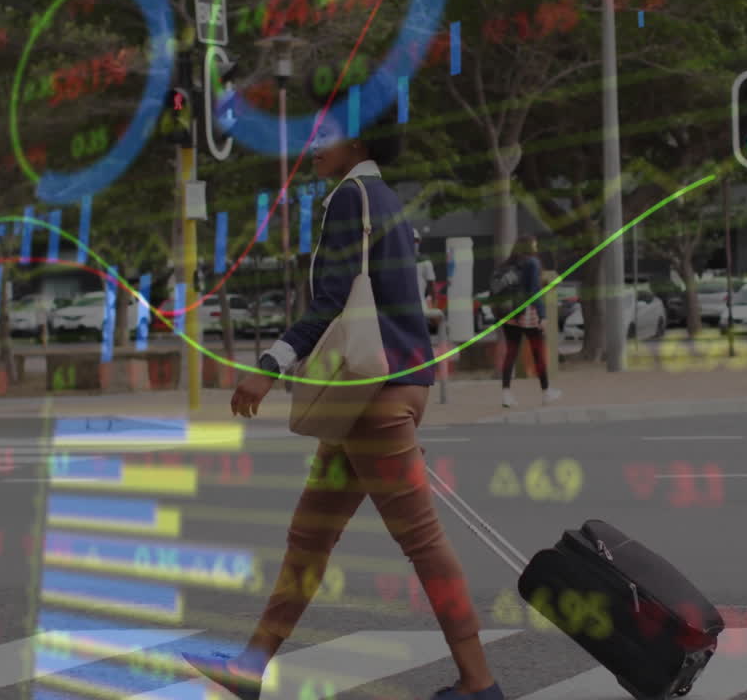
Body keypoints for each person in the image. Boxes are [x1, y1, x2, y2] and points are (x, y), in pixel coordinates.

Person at [183, 97, 505, 700]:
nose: (313, 145)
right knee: (310, 535)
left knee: (423, 544)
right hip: (385, 390)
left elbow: (332, 300)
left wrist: (269, 367)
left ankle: (479, 681)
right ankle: (250, 666)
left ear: (357, 142)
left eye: (325, 134)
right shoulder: (386, 201)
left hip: (372, 397)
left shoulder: (350, 199)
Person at [499, 235, 560, 408]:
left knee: (511, 353)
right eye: (534, 244)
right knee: (538, 352)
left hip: (509, 314)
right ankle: (546, 391)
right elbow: (534, 292)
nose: (536, 247)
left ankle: (506, 394)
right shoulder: (533, 262)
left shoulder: (507, 264)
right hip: (528, 314)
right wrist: (542, 315)